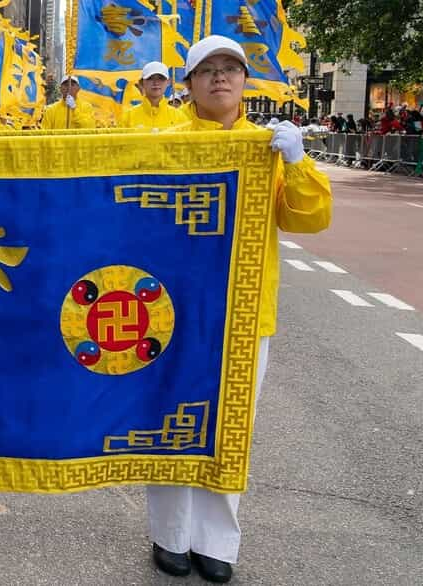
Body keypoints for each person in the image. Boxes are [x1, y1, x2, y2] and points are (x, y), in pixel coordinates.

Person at [150, 35, 331, 584]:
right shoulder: (162, 142)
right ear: (190, 84)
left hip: (243, 312)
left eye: (231, 69)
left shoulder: (267, 148)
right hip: (169, 312)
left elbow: (307, 221)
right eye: (208, 70)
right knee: (170, 423)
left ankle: (216, 542)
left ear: (246, 81)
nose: (220, 78)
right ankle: (169, 536)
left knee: (231, 425)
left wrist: (298, 164)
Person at [119, 63, 189, 131]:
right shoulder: (128, 117)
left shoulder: (179, 117)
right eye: (150, 78)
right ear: (141, 83)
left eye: (161, 78)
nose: (156, 83)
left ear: (168, 82)